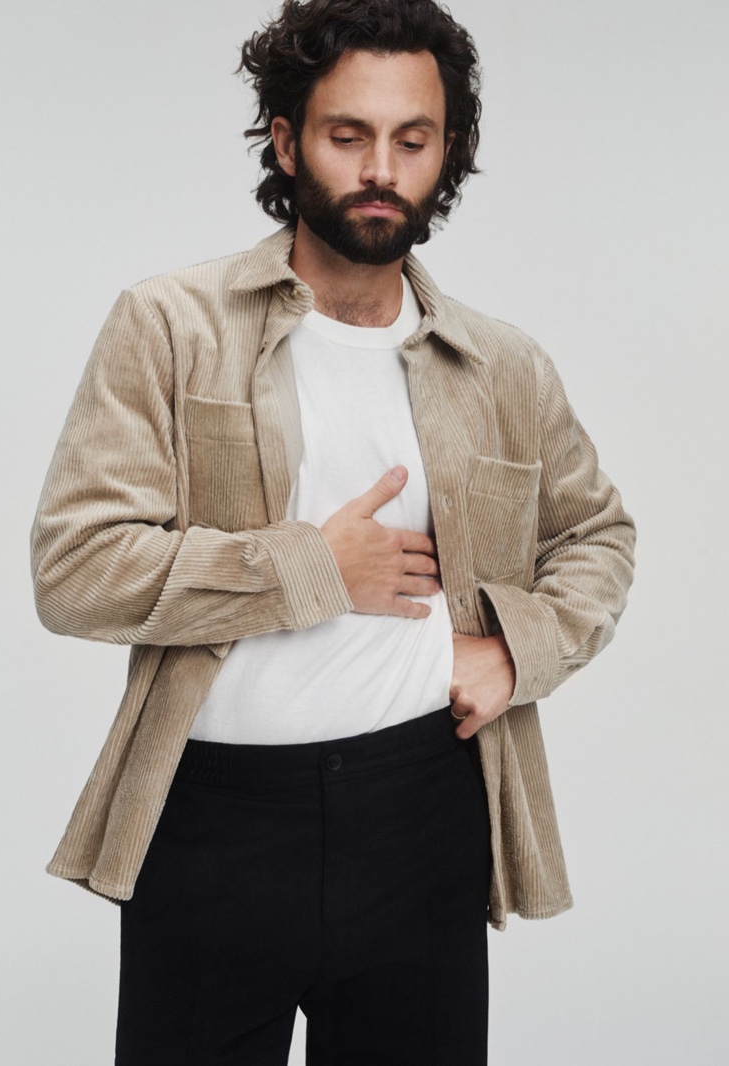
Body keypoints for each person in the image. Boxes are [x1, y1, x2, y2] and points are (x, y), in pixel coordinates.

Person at [31, 1, 635, 1062]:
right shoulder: (169, 325)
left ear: (446, 152)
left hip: (424, 812)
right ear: (284, 138)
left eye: (412, 140)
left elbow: (596, 535)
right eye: (346, 134)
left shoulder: (501, 366)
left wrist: (515, 652)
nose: (379, 168)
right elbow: (75, 569)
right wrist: (311, 565)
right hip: (217, 822)